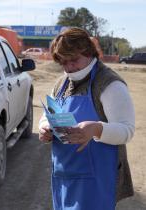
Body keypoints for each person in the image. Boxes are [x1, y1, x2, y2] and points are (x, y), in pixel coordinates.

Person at [38, 27, 135, 210]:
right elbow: (48, 114)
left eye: (74, 60)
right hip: (65, 174)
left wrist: (97, 129)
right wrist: (44, 126)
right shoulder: (62, 83)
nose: (69, 68)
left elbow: (127, 130)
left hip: (97, 179)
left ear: (89, 52)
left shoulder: (109, 83)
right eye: (63, 62)